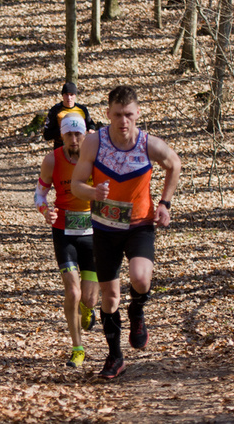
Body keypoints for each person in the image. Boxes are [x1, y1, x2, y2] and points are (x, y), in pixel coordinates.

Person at [71, 85, 181, 379]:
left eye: (129, 115)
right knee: (109, 297)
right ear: (108, 114)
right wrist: (94, 191)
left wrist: (164, 203)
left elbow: (175, 164)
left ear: (137, 114)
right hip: (104, 228)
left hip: (139, 225)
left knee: (141, 278)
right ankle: (115, 356)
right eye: (117, 114)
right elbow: (76, 184)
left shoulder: (148, 144)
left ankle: (138, 312)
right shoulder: (94, 143)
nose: (123, 121)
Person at [34, 114, 99, 369]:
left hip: (93, 232)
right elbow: (40, 193)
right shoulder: (52, 160)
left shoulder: (96, 157)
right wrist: (44, 210)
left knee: (90, 298)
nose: (74, 140)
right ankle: (77, 348)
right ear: (62, 135)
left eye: (78, 134)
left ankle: (87, 307)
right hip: (64, 231)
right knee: (72, 290)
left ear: (85, 134)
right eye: (69, 134)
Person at [43, 82, 96, 149]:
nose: (69, 98)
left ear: (75, 95)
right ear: (62, 95)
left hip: (80, 147)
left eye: (71, 95)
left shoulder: (82, 109)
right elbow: (47, 135)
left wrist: (91, 129)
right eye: (66, 94)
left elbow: (90, 124)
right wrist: (65, 129)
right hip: (61, 147)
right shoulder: (55, 110)